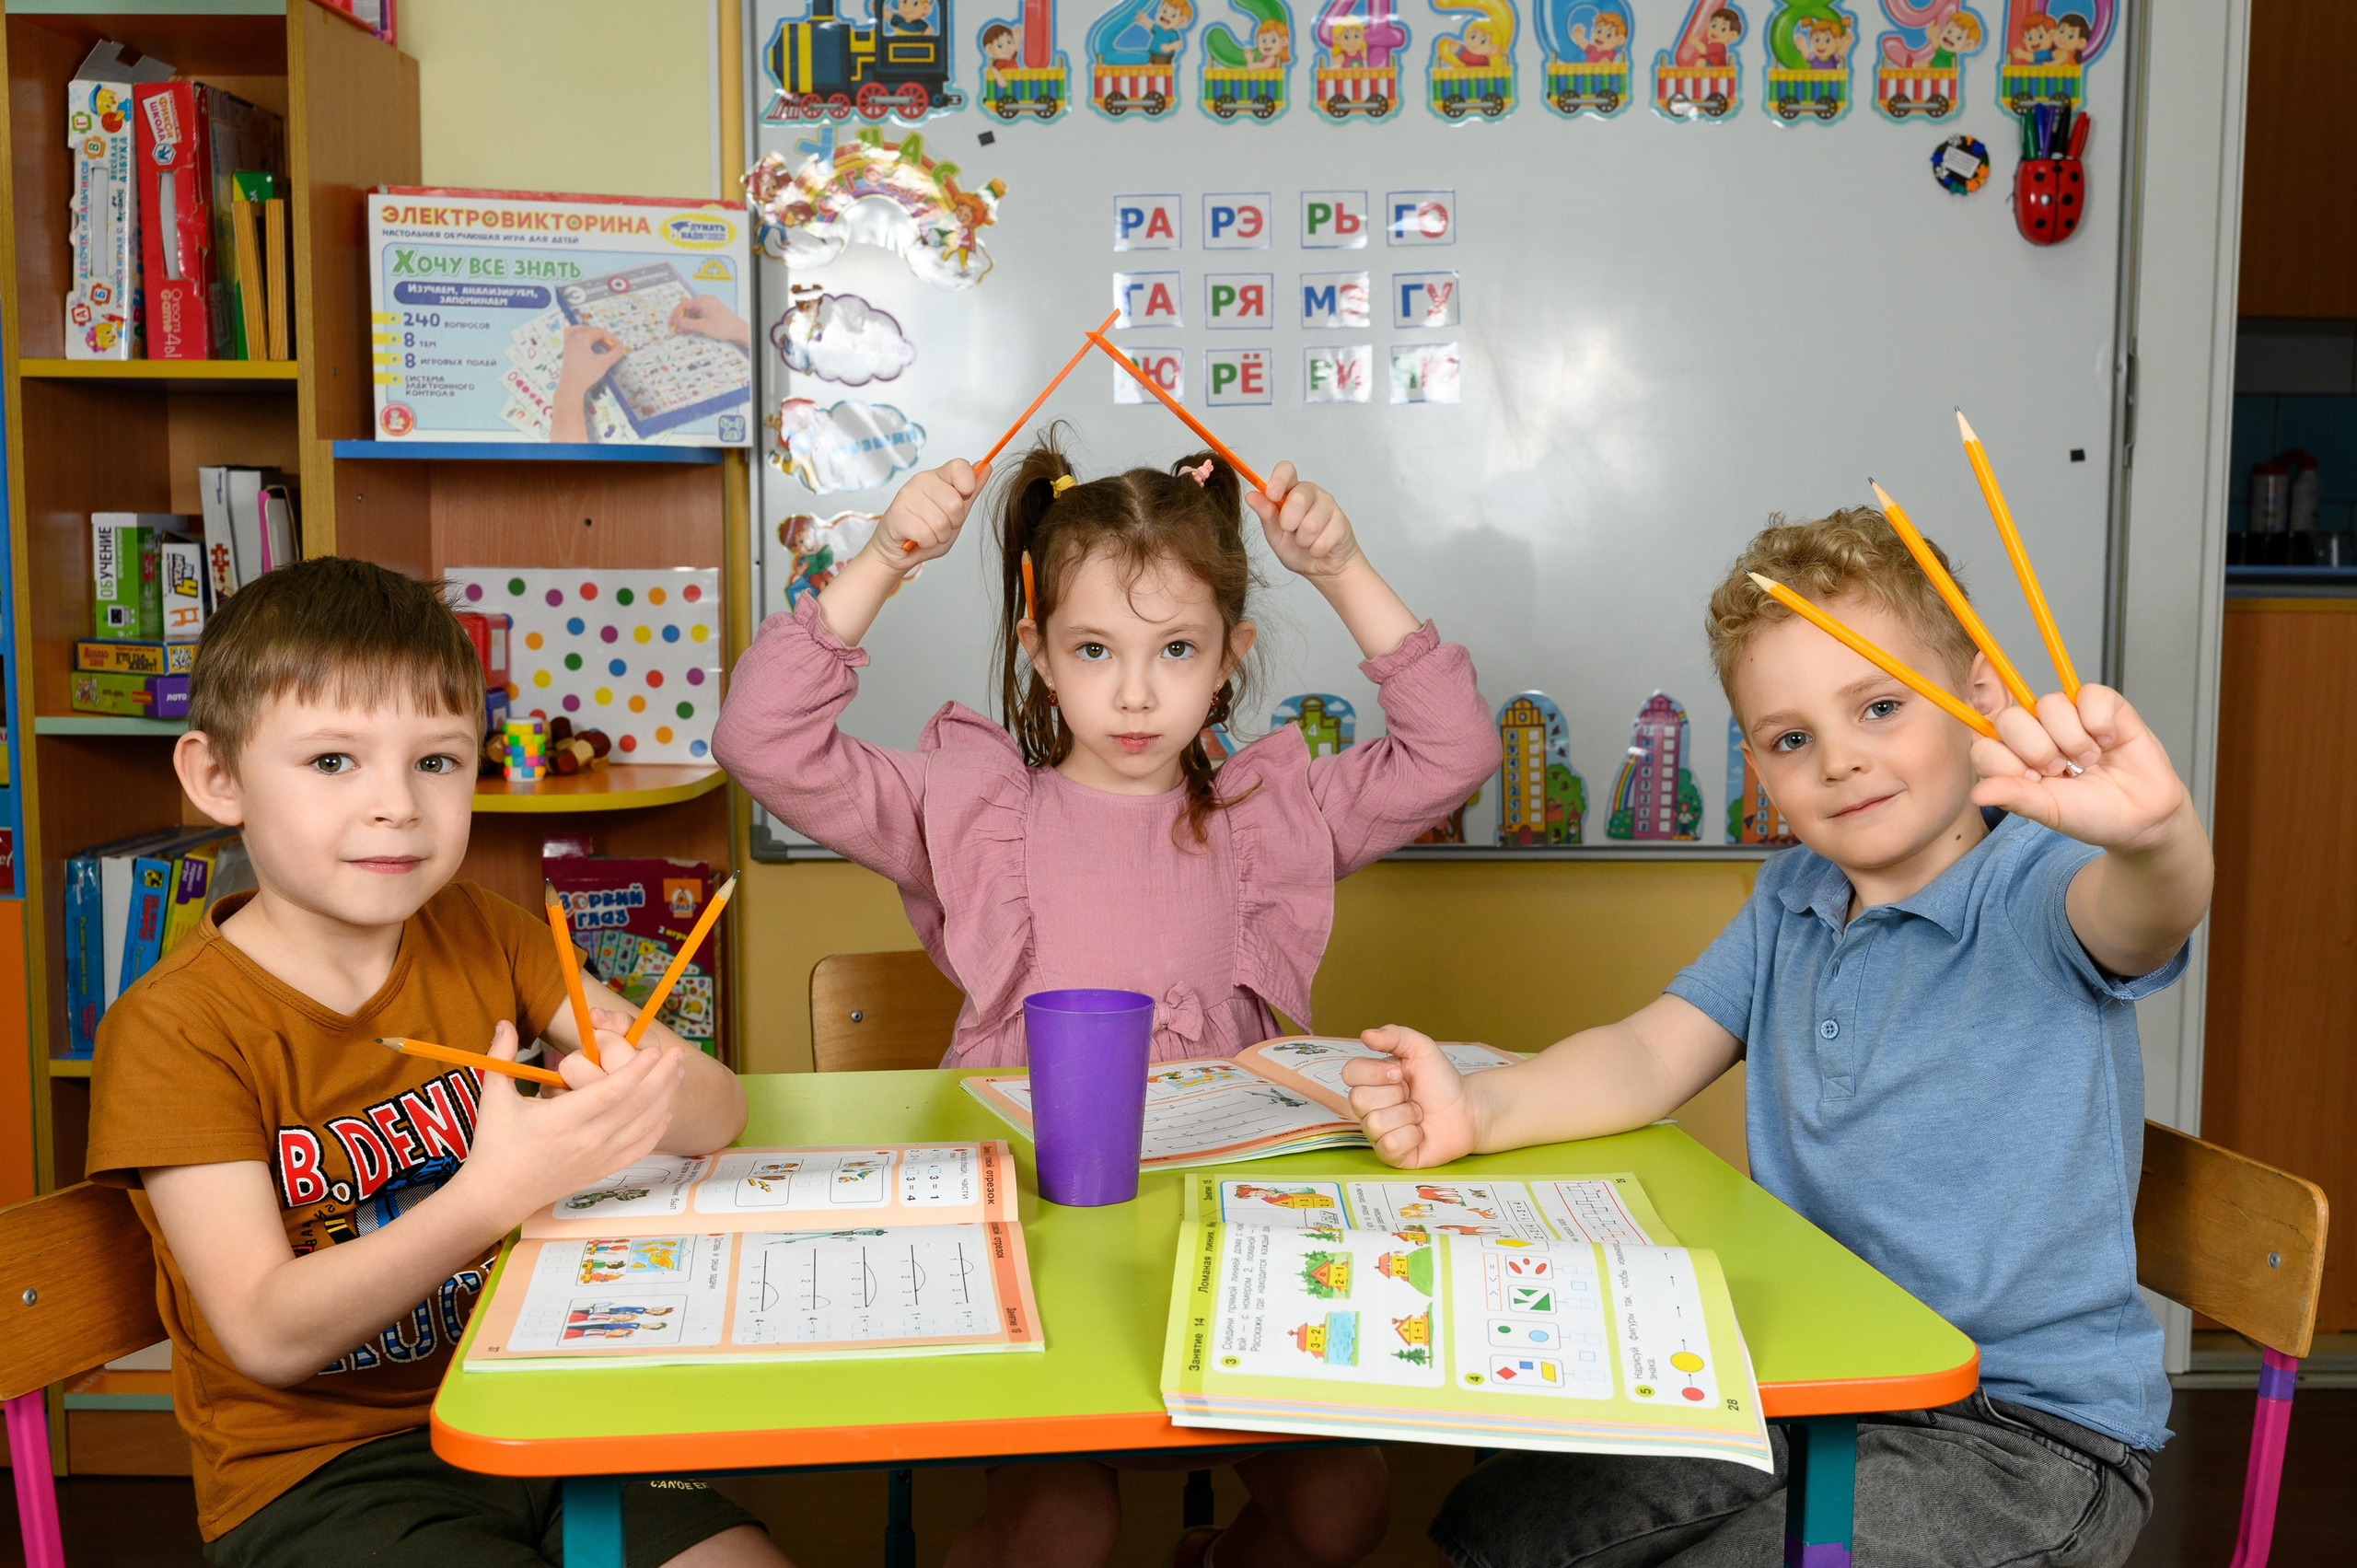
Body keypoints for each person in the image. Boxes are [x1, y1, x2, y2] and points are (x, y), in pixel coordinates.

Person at [1345, 510, 2211, 1568]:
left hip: (2019, 1437)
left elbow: (2146, 912)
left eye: (1881, 706)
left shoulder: (2037, 885)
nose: (1840, 761)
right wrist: (1479, 1106)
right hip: (1818, 1388)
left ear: (1978, 696)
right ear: (1758, 760)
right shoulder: (1792, 896)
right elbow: (1649, 1051)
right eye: (1792, 738)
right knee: (1511, 1508)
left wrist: (2158, 836)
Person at [713, 434, 1499, 1568]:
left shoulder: (1271, 816)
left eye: (1175, 648)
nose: (1134, 692)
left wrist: (1342, 567)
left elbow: (1453, 744)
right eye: (1094, 648)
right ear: (1036, 651)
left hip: (1234, 1243)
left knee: (1341, 1509)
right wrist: (884, 553)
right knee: (1065, 1530)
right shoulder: (969, 812)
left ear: (1231, 654)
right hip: (1039, 1242)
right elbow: (760, 738)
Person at [87, 558, 791, 1568]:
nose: (397, 807)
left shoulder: (482, 931)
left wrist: (633, 1090)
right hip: (325, 1470)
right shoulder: (175, 1027)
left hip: (544, 1396)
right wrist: (492, 1192)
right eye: (333, 761)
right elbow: (265, 1331)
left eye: (437, 761)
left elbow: (717, 1111)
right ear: (217, 777)